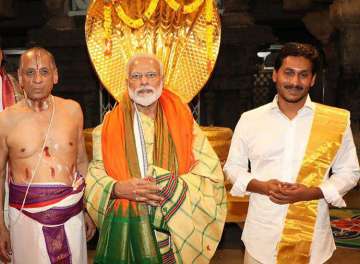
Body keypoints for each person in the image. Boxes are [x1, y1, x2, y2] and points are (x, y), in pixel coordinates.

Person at [224, 42, 360, 264]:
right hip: (262, 236)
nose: (295, 82)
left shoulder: (334, 121)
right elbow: (232, 168)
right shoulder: (250, 119)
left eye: (303, 75)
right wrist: (263, 186)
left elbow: (350, 172)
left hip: (312, 238)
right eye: (288, 73)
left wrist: (312, 193)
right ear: (275, 75)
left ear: (313, 80)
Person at [85, 54, 227, 263]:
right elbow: (95, 174)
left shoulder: (184, 121)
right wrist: (117, 189)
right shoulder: (107, 127)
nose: (143, 81)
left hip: (173, 223)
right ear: (127, 82)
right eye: (136, 76)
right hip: (128, 222)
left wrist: (172, 187)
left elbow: (210, 172)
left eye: (151, 75)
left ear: (162, 79)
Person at [0, 47, 96, 263]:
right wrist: (0, 227)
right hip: (25, 218)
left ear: (55, 76)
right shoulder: (6, 120)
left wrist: (89, 209)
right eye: (30, 73)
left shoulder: (73, 110)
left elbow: (81, 161)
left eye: (44, 72)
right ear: (20, 79)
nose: (37, 79)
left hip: (71, 212)